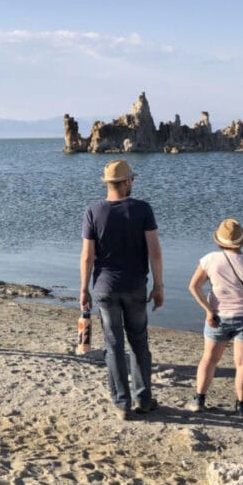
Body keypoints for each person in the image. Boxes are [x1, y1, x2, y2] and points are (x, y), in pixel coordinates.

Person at [79, 159, 164, 420]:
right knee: (139, 341)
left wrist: (83, 289)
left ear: (108, 183)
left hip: (104, 287)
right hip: (135, 285)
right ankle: (144, 398)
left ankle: (122, 403)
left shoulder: (93, 211)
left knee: (113, 344)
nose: (133, 184)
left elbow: (87, 257)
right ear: (126, 182)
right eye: (132, 180)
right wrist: (159, 285)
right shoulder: (142, 209)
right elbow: (155, 251)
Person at [186, 219, 243, 416]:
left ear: (219, 240)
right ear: (242, 242)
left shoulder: (209, 259)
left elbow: (194, 287)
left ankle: (199, 399)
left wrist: (208, 309)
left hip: (217, 317)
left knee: (209, 359)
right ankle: (242, 405)